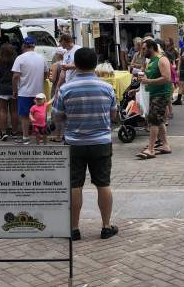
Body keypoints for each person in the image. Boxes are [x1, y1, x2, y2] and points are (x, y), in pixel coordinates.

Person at [52, 47, 118, 241]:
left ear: (76, 65)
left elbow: (57, 116)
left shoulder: (65, 88)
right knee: (103, 184)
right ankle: (106, 226)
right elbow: (113, 115)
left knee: (75, 185)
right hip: (101, 142)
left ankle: (74, 228)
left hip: (74, 142)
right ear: (95, 64)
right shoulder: (107, 88)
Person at [137, 39, 172, 159]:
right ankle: (165, 145)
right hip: (153, 94)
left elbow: (167, 78)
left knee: (153, 121)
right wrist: (138, 88)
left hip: (161, 94)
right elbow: (148, 78)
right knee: (159, 120)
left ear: (151, 48)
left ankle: (151, 149)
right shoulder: (150, 61)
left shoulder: (162, 59)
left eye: (144, 48)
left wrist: (148, 81)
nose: (142, 51)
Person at [12, 37, 48, 145]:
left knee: (24, 116)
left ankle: (26, 137)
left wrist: (14, 90)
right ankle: (40, 137)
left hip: (24, 92)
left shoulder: (20, 58)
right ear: (34, 46)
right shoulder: (42, 58)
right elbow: (46, 73)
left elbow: (15, 76)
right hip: (39, 92)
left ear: (23, 45)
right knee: (40, 116)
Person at [0, 44, 18, 141]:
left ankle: (3, 133)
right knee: (14, 112)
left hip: (2, 89)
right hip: (14, 89)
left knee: (2, 111)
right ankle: (14, 133)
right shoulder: (16, 61)